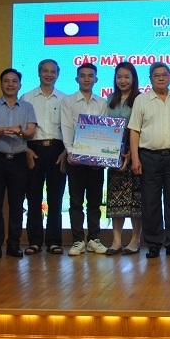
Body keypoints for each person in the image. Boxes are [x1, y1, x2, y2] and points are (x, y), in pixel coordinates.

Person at [128, 62, 170, 259]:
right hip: (148, 157)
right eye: (156, 75)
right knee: (150, 202)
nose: (161, 78)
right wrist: (135, 158)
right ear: (151, 78)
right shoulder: (142, 100)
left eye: (164, 75)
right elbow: (134, 130)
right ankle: (153, 244)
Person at [0, 68, 37, 259]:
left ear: (20, 85)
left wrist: (21, 132)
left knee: (17, 205)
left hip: (19, 161)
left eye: (14, 81)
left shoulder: (27, 107)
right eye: (6, 81)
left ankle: (14, 244)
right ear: (1, 84)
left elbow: (31, 131)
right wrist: (6, 129)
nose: (10, 84)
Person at [61, 62, 109, 256]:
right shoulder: (69, 101)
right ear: (77, 79)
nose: (87, 78)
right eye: (83, 75)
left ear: (96, 79)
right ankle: (77, 239)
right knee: (76, 201)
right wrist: (70, 152)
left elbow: (105, 131)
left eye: (90, 75)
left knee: (95, 201)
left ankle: (94, 239)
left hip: (96, 161)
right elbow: (66, 128)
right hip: (76, 159)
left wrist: (104, 155)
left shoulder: (102, 103)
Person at [21, 59, 67, 255]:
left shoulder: (64, 99)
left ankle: (54, 241)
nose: (49, 74)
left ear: (58, 74)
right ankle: (34, 241)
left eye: (53, 71)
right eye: (45, 71)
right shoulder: (27, 98)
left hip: (58, 150)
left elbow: (69, 129)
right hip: (33, 150)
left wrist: (66, 151)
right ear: (39, 73)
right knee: (33, 197)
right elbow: (19, 127)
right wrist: (25, 149)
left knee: (56, 198)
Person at [104, 62, 143, 256]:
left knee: (136, 200)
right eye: (119, 76)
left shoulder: (141, 100)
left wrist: (130, 152)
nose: (123, 80)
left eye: (127, 77)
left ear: (134, 79)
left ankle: (135, 240)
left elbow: (141, 129)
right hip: (114, 158)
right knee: (115, 199)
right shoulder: (109, 100)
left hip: (135, 156)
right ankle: (116, 241)